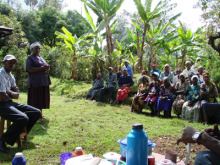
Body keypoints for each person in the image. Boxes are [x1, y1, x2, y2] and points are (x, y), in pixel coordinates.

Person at [0, 55, 41, 153]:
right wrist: (11, 93)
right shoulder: (0, 75)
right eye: (10, 62)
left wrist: (9, 92)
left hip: (9, 102)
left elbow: (17, 95)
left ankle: (19, 134)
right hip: (1, 104)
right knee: (22, 118)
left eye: (13, 63)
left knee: (36, 112)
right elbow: (1, 96)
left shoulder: (10, 75)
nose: (12, 65)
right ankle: (2, 141)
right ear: (4, 62)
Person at [26, 42, 51, 118]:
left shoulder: (40, 58)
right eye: (36, 48)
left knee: (41, 98)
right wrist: (42, 68)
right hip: (35, 82)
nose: (38, 50)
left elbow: (44, 67)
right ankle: (33, 115)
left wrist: (47, 67)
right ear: (32, 49)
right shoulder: (30, 58)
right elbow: (29, 70)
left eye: (39, 48)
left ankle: (40, 114)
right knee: (35, 98)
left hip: (43, 81)